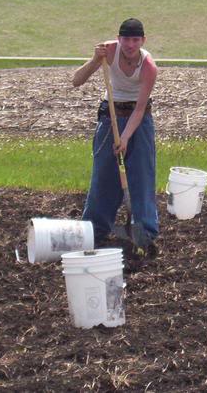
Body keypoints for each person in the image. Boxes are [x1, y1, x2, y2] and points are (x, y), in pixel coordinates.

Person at [72, 18, 159, 247]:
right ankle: (94, 230)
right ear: (119, 39)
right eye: (126, 39)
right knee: (104, 176)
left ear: (143, 40)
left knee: (141, 176)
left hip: (138, 121)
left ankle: (144, 233)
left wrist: (126, 137)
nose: (130, 45)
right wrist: (94, 60)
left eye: (135, 40)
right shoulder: (108, 51)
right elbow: (76, 81)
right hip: (110, 117)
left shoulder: (148, 66)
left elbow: (140, 108)